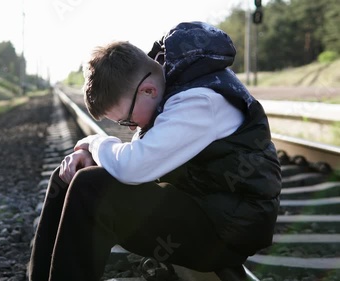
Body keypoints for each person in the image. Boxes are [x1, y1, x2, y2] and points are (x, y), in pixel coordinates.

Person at [28, 21, 281, 281]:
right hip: (201, 208)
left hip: (227, 233)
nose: (131, 126)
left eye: (126, 120)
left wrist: (93, 143)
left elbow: (134, 166)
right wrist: (89, 155)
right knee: (67, 175)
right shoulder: (172, 89)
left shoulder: (199, 101)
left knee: (90, 186)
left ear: (147, 90)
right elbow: (143, 156)